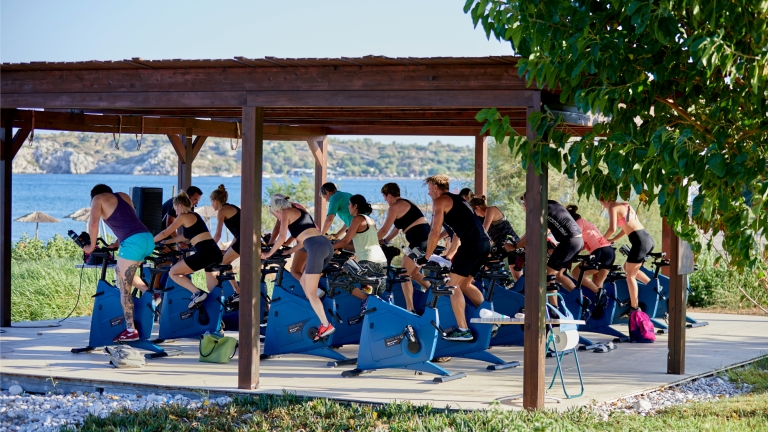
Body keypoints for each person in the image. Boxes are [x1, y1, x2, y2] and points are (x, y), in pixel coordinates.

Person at [423, 175, 490, 341]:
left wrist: (426, 257)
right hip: (484, 243)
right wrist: (448, 254)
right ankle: (490, 321)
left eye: (430, 189)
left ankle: (463, 330)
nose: (429, 193)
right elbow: (457, 234)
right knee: (465, 284)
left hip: (472, 245)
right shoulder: (458, 200)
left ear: (436, 188)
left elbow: (435, 232)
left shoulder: (440, 202)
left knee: (452, 286)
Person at [84, 184, 155, 343]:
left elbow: (93, 224)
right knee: (121, 272)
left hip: (132, 243)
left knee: (124, 288)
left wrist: (90, 246)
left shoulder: (97, 199)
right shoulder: (123, 195)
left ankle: (131, 330)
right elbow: (130, 220)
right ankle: (151, 294)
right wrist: (117, 243)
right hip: (147, 238)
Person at [262, 194, 336, 340]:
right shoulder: (301, 212)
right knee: (303, 281)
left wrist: (270, 253)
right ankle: (316, 310)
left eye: (275, 214)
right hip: (326, 245)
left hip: (315, 248)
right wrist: (289, 251)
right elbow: (304, 240)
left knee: (310, 293)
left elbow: (282, 237)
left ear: (277, 209)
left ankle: (326, 324)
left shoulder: (284, 213)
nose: (277, 217)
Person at [154, 192, 223, 308]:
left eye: (175, 209)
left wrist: (150, 241)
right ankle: (217, 314)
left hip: (205, 253)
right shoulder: (194, 216)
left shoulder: (183, 217)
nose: (175, 213)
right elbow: (186, 237)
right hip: (215, 252)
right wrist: (167, 242)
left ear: (180, 206)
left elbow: (165, 232)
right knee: (212, 291)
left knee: (173, 272)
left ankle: (197, 293)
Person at [512, 195, 584, 302]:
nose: (524, 206)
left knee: (548, 274)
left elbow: (532, 233)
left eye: (525, 204)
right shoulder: (550, 204)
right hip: (576, 241)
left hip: (569, 242)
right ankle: (582, 299)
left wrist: (515, 247)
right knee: (559, 275)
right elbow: (543, 231)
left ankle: (554, 310)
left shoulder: (539, 209)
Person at [377, 183, 433, 312]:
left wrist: (371, 241)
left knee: (404, 273)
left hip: (420, 241)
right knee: (414, 273)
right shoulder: (406, 203)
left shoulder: (394, 207)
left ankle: (410, 309)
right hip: (424, 239)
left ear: (389, 195)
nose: (385, 200)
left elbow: (384, 229)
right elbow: (396, 229)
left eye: (384, 197)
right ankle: (435, 294)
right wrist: (384, 241)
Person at [333, 195, 388, 310]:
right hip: (381, 262)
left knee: (340, 279)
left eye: (349, 204)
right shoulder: (370, 220)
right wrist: (338, 246)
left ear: (355, 206)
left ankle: (367, 300)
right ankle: (372, 299)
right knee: (362, 281)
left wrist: (329, 246)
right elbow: (355, 246)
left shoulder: (357, 219)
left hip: (369, 262)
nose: (348, 207)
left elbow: (345, 240)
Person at [600, 198, 654, 315]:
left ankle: (635, 308)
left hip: (639, 241)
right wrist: (612, 240)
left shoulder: (612, 207)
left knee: (630, 276)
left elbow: (612, 229)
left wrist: (600, 241)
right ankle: (652, 287)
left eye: (601, 203)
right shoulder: (626, 205)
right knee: (628, 268)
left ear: (604, 200)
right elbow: (625, 229)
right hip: (646, 238)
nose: (602, 206)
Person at [566, 204, 615, 317]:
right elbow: (582, 246)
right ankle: (598, 314)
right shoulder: (586, 224)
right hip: (609, 252)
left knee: (576, 273)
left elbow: (574, 242)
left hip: (600, 252)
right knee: (597, 283)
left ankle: (599, 293)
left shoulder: (577, 223)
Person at [469, 196, 522, 280]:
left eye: (474, 211)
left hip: (511, 243)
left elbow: (484, 231)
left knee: (517, 277)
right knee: (487, 262)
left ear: (477, 207)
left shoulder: (490, 210)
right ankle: (494, 286)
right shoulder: (484, 217)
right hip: (502, 245)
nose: (475, 214)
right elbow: (490, 237)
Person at [268, 194, 313, 282]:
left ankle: (314, 291)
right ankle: (311, 291)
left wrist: (270, 248)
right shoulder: (297, 208)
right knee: (305, 271)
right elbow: (299, 228)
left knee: (295, 271)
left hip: (306, 241)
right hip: (312, 238)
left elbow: (278, 230)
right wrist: (287, 243)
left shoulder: (285, 211)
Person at [209, 185, 242, 304]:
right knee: (225, 260)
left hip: (243, 241)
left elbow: (218, 235)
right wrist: (229, 249)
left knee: (224, 262)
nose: (212, 205)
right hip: (245, 239)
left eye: (211, 202)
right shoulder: (232, 207)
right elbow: (237, 232)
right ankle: (237, 291)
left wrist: (208, 247)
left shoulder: (221, 211)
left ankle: (237, 292)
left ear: (216, 201)